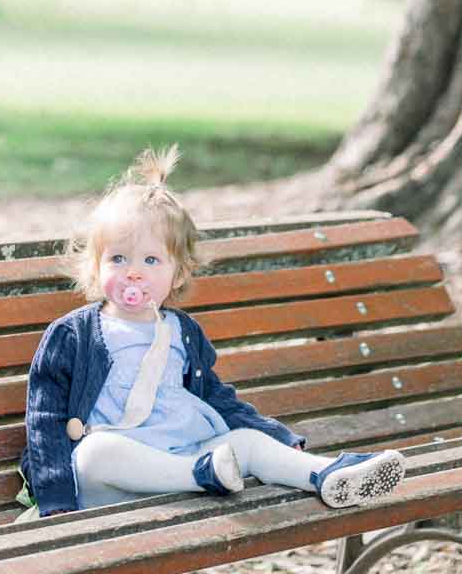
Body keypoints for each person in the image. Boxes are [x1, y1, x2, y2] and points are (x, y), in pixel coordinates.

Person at [21, 145, 406, 517]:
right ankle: (200, 475)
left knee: (248, 445)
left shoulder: (181, 331)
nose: (133, 272)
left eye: (151, 259)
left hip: (182, 459)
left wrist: (277, 440)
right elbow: (45, 419)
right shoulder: (75, 334)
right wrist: (56, 504)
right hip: (113, 482)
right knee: (95, 452)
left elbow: (215, 398)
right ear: (95, 266)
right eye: (118, 258)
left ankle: (324, 474)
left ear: (179, 272)